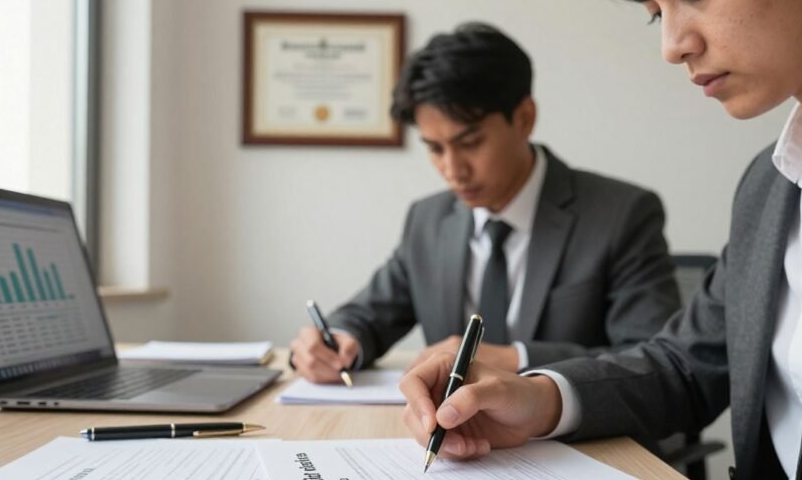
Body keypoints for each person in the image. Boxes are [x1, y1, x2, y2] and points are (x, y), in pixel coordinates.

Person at [399, 0, 802, 480]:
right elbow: (686, 364)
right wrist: (540, 398)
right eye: (654, 11)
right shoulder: (769, 185)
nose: (673, 46)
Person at [289, 23, 680, 383]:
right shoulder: (428, 219)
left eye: (469, 143)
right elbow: (368, 315)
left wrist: (515, 358)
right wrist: (336, 338)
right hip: (454, 441)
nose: (452, 169)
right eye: (434, 148)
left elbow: (651, 361)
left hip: (583, 444)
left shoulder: (622, 214)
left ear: (525, 118)